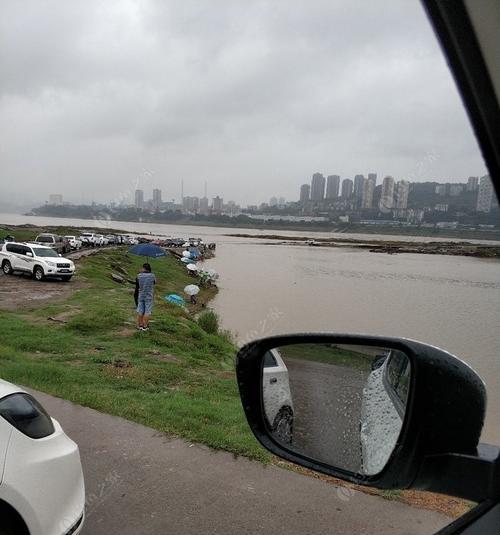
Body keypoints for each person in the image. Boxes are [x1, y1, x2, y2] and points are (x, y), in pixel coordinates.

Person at [136, 263, 156, 331]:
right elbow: (154, 283)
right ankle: (145, 326)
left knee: (140, 311)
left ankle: (140, 325)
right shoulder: (152, 276)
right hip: (149, 296)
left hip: (141, 295)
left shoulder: (138, 275)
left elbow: (138, 284)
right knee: (147, 311)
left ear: (144, 268)